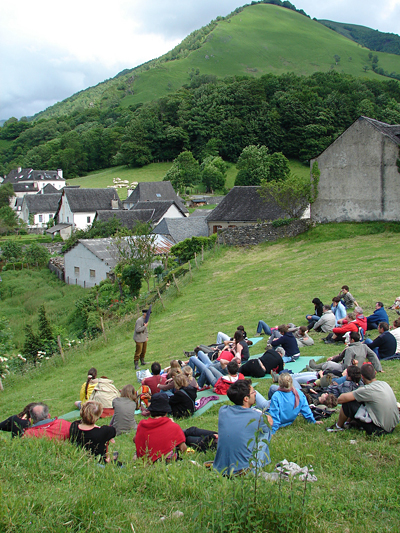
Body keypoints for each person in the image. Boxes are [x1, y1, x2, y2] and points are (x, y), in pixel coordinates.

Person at [213, 380, 272, 475]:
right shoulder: (257, 417)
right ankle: (257, 464)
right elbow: (270, 421)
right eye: (253, 392)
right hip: (243, 470)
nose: (255, 394)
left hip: (220, 468)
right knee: (266, 430)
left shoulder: (223, 411)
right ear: (246, 399)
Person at [327, 364, 399, 435]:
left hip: (379, 430)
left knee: (348, 402)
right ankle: (349, 423)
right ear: (375, 373)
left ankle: (338, 426)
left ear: (362, 376)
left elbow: (342, 398)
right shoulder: (384, 384)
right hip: (392, 427)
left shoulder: (367, 389)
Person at [135, 393, 187, 463]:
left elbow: (135, 439)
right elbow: (183, 448)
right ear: (166, 411)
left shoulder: (142, 424)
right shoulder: (173, 426)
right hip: (166, 461)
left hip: (146, 460)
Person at [308, 332, 382, 373]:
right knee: (331, 363)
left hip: (348, 370)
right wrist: (379, 368)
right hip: (358, 368)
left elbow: (346, 364)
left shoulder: (350, 349)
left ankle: (315, 368)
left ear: (352, 340)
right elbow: (373, 356)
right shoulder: (364, 347)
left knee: (329, 364)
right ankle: (316, 369)